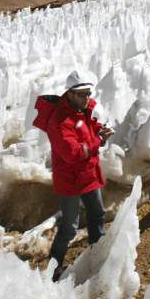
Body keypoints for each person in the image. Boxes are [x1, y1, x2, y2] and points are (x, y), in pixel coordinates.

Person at [32, 70, 113, 282]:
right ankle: (54, 268)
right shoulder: (59, 121)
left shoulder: (79, 112)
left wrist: (98, 129)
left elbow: (83, 126)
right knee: (69, 228)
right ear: (70, 94)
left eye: (88, 93)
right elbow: (72, 153)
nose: (88, 98)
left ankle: (97, 255)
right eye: (83, 94)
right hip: (70, 181)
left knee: (97, 215)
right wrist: (98, 140)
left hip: (87, 176)